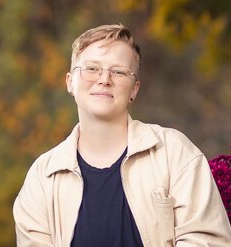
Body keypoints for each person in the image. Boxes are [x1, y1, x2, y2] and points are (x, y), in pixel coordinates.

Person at [13, 24, 231, 247]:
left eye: (118, 71)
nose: (104, 79)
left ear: (134, 89)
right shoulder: (42, 178)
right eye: (91, 68)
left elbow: (207, 240)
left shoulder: (175, 153)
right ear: (70, 82)